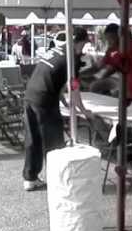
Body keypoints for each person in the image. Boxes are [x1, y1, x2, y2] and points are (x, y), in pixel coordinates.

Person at [22, 27, 92, 191]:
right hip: (44, 101)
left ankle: (30, 179)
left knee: (33, 139)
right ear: (80, 42)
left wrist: (64, 102)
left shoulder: (55, 50)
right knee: (54, 143)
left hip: (30, 95)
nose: (83, 49)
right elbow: (73, 87)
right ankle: (58, 181)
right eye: (84, 44)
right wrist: (83, 110)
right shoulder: (71, 59)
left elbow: (53, 77)